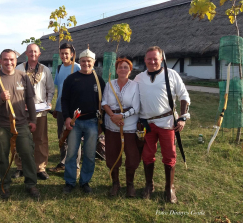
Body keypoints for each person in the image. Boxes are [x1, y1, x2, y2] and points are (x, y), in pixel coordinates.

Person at [134, 46, 190, 203]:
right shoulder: (139, 78)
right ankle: (148, 185)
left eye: (155, 59)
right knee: (147, 155)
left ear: (161, 60)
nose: (152, 61)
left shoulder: (171, 74)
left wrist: (183, 117)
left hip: (167, 122)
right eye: (149, 59)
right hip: (147, 123)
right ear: (145, 60)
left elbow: (183, 95)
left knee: (169, 156)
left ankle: (169, 187)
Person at [0, 49, 40, 199]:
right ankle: (4, 185)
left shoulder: (23, 77)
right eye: (5, 59)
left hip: (21, 123)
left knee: (27, 153)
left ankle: (31, 184)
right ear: (0, 61)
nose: (9, 62)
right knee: (2, 155)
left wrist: (32, 120)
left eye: (12, 59)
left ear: (16, 61)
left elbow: (30, 101)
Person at [61, 47, 105, 194]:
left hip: (92, 122)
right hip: (75, 122)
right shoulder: (71, 79)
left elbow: (104, 101)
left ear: (94, 62)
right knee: (72, 153)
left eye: (89, 61)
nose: (86, 64)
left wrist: (101, 123)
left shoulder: (98, 80)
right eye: (83, 61)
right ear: (79, 62)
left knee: (90, 154)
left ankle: (85, 181)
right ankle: (70, 181)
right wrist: (67, 117)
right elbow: (64, 99)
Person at [13, 43, 55, 180]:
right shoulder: (19, 68)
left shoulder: (45, 70)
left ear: (39, 54)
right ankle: (20, 166)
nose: (33, 54)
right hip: (21, 111)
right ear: (26, 53)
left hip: (39, 111)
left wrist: (48, 103)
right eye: (30, 51)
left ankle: (40, 168)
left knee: (40, 139)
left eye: (35, 52)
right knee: (19, 138)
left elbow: (50, 89)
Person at [102, 58, 140, 197]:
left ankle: (130, 184)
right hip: (112, 125)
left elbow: (136, 107)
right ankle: (115, 183)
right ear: (116, 70)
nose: (122, 69)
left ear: (130, 70)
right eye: (120, 67)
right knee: (112, 154)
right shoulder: (109, 84)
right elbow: (104, 102)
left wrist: (122, 116)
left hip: (129, 125)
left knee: (132, 155)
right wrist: (113, 116)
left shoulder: (135, 85)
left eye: (125, 67)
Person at [48, 43, 81, 174]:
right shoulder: (59, 68)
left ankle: (75, 166)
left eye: (67, 53)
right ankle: (63, 161)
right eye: (62, 53)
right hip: (61, 108)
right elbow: (59, 89)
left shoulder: (77, 67)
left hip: (73, 110)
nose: (64, 56)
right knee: (62, 136)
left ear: (72, 54)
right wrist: (56, 106)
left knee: (74, 136)